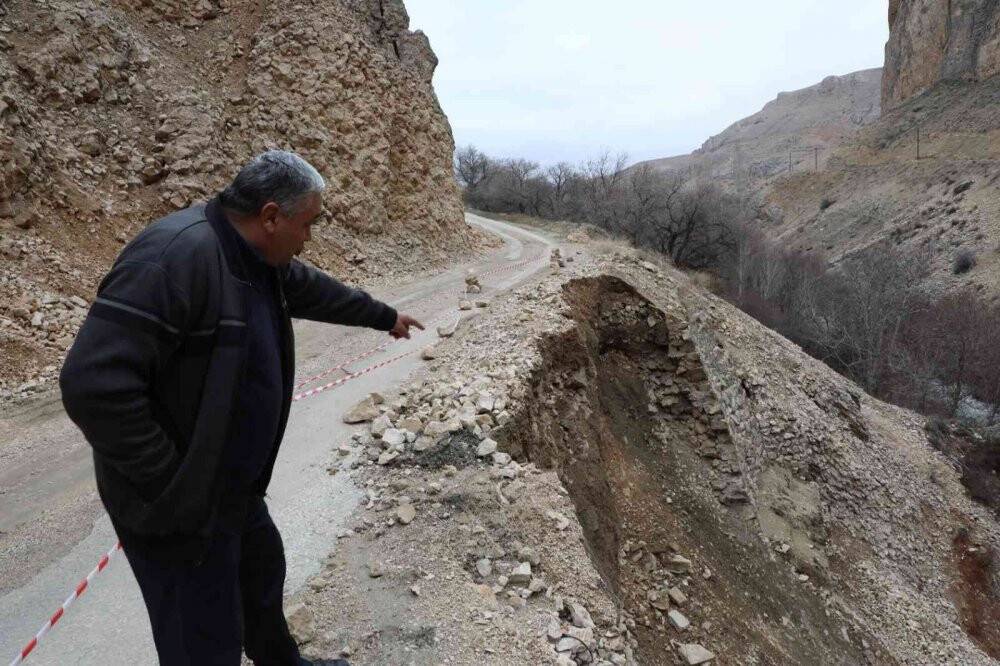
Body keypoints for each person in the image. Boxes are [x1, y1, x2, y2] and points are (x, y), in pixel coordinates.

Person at [59, 150, 423, 665]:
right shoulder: (173, 259)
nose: (309, 238)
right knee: (203, 640)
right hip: (180, 507)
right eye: (307, 225)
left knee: (260, 580)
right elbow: (92, 383)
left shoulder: (256, 257)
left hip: (232, 491)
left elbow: (314, 290)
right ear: (271, 216)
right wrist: (175, 485)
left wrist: (383, 315)